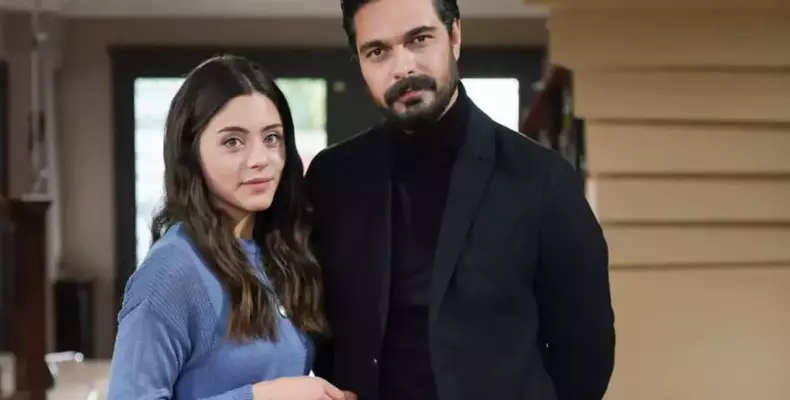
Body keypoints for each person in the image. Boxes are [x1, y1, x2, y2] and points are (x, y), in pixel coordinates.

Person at [305, 0, 616, 399]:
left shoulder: (541, 178)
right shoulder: (332, 178)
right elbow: (320, 327)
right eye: (377, 51)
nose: (402, 67)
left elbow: (586, 350)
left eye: (419, 39)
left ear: (454, 36)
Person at [108, 55, 346, 400]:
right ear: (191, 151)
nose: (260, 159)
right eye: (233, 142)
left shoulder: (278, 251)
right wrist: (261, 397)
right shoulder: (170, 272)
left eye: (272, 138)